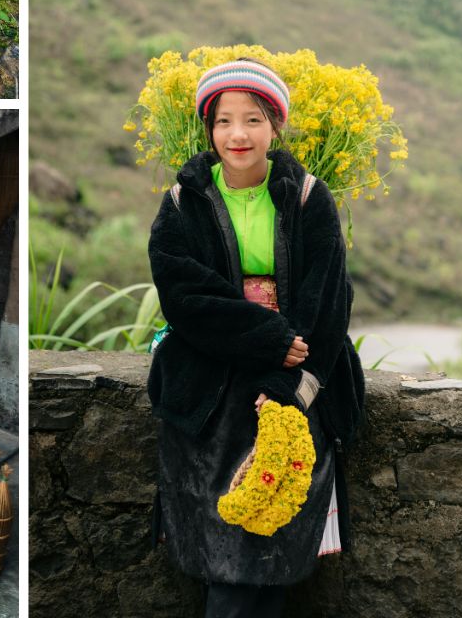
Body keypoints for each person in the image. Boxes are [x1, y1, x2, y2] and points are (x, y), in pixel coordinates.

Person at [147, 59, 366, 618]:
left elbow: (328, 299)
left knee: (275, 548)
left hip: (297, 371)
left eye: (252, 120)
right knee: (226, 550)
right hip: (212, 377)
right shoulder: (183, 202)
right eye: (223, 121)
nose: (237, 135)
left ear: (275, 126)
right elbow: (185, 296)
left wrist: (289, 382)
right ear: (208, 129)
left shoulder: (309, 197)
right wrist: (267, 336)